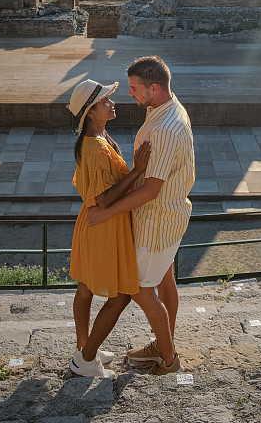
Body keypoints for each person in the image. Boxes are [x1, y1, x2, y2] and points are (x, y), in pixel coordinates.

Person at [88, 55, 195, 376]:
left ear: (154, 87)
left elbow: (150, 190)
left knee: (139, 290)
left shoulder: (165, 128)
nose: (130, 94)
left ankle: (168, 358)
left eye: (135, 88)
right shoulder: (166, 109)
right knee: (165, 278)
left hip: (156, 221)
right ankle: (165, 343)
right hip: (171, 215)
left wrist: (103, 213)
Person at [67, 78, 151, 378]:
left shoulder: (95, 138)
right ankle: (85, 361)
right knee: (120, 295)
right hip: (103, 226)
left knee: (86, 286)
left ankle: (83, 348)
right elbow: (103, 199)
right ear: (91, 112)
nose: (112, 103)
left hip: (91, 224)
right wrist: (138, 171)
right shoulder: (97, 148)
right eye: (105, 101)